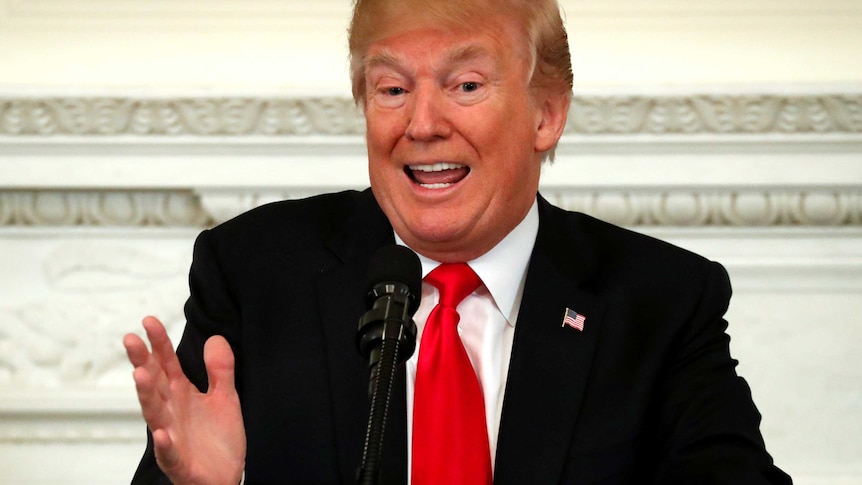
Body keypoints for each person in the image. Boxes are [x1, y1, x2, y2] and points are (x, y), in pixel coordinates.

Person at [123, 0, 792, 483]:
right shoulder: (256, 271)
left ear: (545, 113)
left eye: (465, 85)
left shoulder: (659, 302)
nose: (421, 123)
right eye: (392, 88)